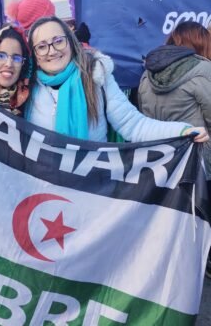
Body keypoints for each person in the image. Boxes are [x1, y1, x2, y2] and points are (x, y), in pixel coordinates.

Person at [25, 16, 208, 143]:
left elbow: (135, 125)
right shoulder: (25, 89)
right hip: (41, 192)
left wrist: (182, 131)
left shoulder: (96, 77)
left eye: (58, 41)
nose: (52, 50)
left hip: (91, 189)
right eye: (41, 46)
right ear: (34, 55)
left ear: (71, 43)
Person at [138, 21, 211, 280]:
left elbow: (145, 120)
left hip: (164, 160)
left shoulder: (148, 73)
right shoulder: (204, 70)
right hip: (202, 161)